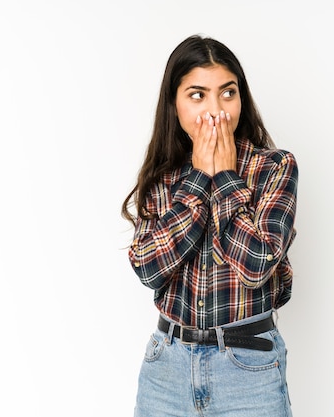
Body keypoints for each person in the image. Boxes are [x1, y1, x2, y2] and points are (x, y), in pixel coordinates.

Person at [121, 34, 298, 417]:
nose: (215, 110)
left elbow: (256, 266)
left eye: (227, 93)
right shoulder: (163, 176)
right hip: (165, 369)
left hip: (248, 369)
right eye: (198, 95)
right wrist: (199, 178)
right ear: (175, 104)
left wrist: (224, 176)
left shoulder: (275, 168)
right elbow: (148, 269)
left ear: (241, 98)